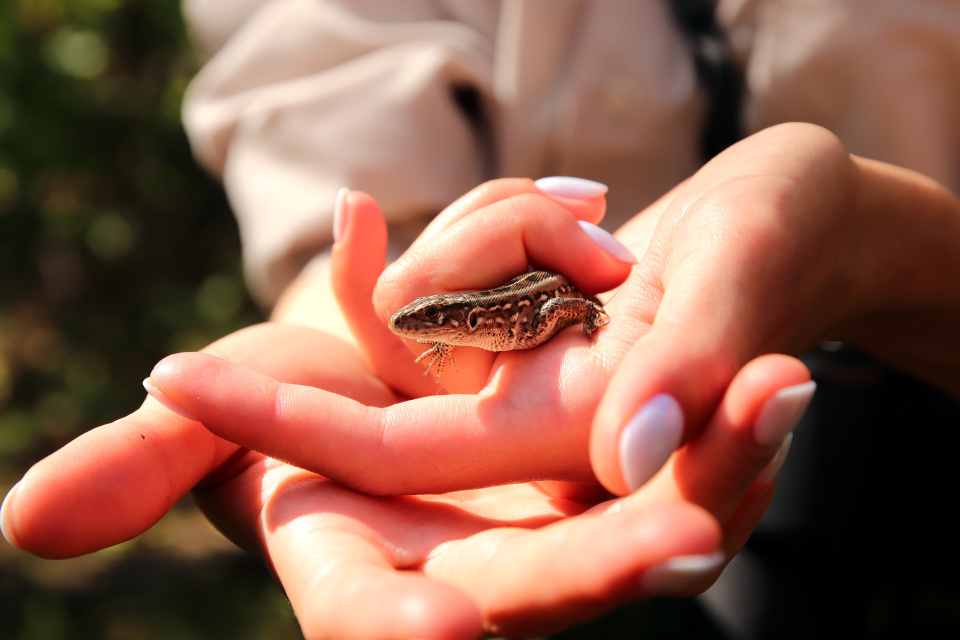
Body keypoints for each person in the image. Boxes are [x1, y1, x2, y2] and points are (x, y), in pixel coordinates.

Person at [5, 1, 960, 637]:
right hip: (694, 500)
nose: (435, 324)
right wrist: (347, 325)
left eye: (441, 318)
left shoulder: (510, 316)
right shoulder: (460, 325)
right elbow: (329, 86)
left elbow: (558, 306)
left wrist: (884, 249)